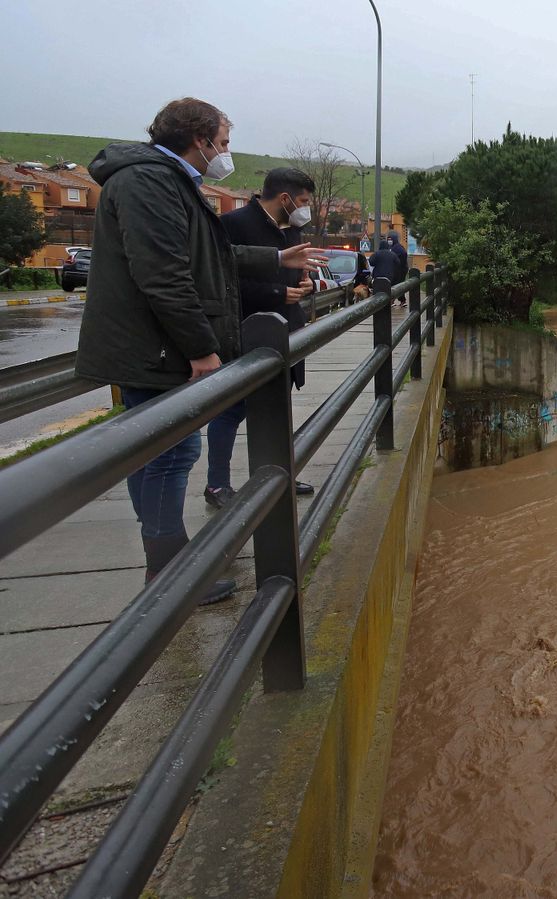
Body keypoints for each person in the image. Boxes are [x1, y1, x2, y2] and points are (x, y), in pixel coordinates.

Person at [75, 97, 322, 605]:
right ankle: (170, 575)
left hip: (155, 346)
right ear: (199, 139)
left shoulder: (165, 181)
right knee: (171, 452)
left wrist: (275, 256)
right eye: (223, 143)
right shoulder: (149, 182)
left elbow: (207, 253)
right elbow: (163, 274)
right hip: (156, 348)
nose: (225, 153)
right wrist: (202, 350)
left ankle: (165, 565)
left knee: (152, 452)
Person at [206, 168, 320, 508]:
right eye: (302, 201)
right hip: (247, 331)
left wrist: (305, 287)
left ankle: (277, 474)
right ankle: (216, 485)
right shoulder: (234, 225)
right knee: (232, 409)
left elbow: (296, 274)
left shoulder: (294, 229)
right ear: (284, 198)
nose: (306, 209)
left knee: (277, 407)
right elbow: (224, 281)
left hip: (286, 331)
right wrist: (276, 292)